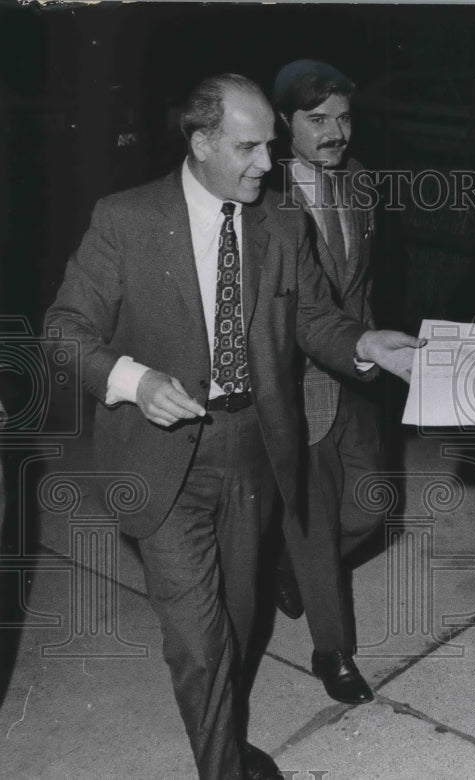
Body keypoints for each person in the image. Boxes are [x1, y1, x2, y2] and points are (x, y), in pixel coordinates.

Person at [44, 73, 420, 780]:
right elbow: (64, 329)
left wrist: (365, 345)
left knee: (241, 626)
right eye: (247, 148)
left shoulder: (280, 222)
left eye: (269, 147)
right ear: (200, 141)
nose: (263, 164)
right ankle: (224, 769)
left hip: (253, 451)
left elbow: (313, 317)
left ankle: (227, 746)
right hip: (159, 457)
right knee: (199, 642)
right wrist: (133, 379)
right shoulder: (125, 219)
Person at [266, 59, 382, 705]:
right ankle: (332, 652)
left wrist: (378, 351)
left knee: (369, 509)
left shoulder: (360, 182)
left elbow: (360, 285)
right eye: (319, 120)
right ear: (286, 122)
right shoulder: (264, 197)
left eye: (343, 117)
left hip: (355, 372)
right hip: (291, 384)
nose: (336, 132)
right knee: (314, 521)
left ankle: (285, 563)